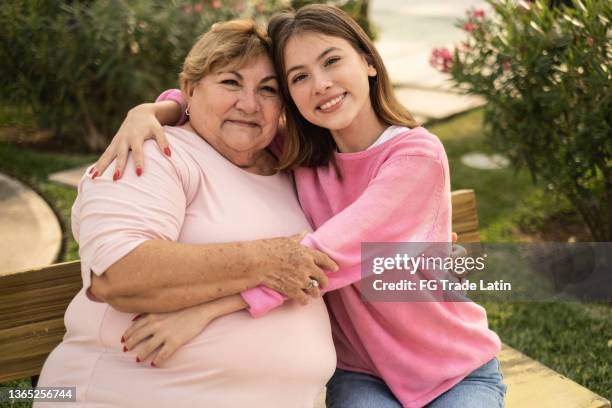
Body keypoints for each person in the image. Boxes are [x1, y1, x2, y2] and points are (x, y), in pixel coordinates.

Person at [92, 5, 506, 408]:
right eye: (299, 77)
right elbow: (217, 106)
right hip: (362, 371)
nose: (321, 84)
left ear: (368, 61)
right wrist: (151, 111)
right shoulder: (302, 151)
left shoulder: (416, 157)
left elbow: (320, 258)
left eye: (332, 61)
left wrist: (203, 311)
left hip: (452, 367)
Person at [35, 20, 339, 408]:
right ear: (190, 91)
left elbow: (346, 259)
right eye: (230, 82)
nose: (249, 103)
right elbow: (117, 274)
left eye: (268, 89)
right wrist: (266, 260)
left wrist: (439, 269)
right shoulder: (155, 153)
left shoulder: (292, 172)